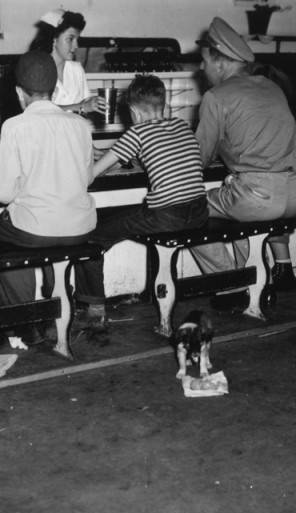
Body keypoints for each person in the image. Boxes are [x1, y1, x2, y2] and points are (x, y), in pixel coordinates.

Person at [189, 17, 296, 311]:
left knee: (185, 211)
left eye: (204, 61)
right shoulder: (271, 87)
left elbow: (198, 158)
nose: (201, 68)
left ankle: (230, 284)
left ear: (220, 64)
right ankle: (244, 275)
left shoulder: (215, 96)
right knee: (232, 197)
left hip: (258, 198)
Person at [73, 74, 209, 329]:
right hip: (199, 211)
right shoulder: (181, 126)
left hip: (167, 216)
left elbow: (89, 176)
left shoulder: (137, 132)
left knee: (91, 233)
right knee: (131, 213)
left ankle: (94, 308)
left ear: (134, 111)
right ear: (164, 106)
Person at [0, 50, 96, 346]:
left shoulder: (15, 126)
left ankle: (21, 322)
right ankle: (56, 312)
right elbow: (87, 179)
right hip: (79, 229)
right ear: (54, 90)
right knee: (47, 231)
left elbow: (1, 193)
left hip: (35, 230)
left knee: (2, 237)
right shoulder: (80, 125)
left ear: (19, 93)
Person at [29, 9, 106, 117]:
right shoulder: (38, 70)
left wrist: (93, 103)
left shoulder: (76, 69)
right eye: (70, 39)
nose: (76, 46)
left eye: (77, 39)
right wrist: (80, 107)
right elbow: (38, 111)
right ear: (54, 39)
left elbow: (85, 105)